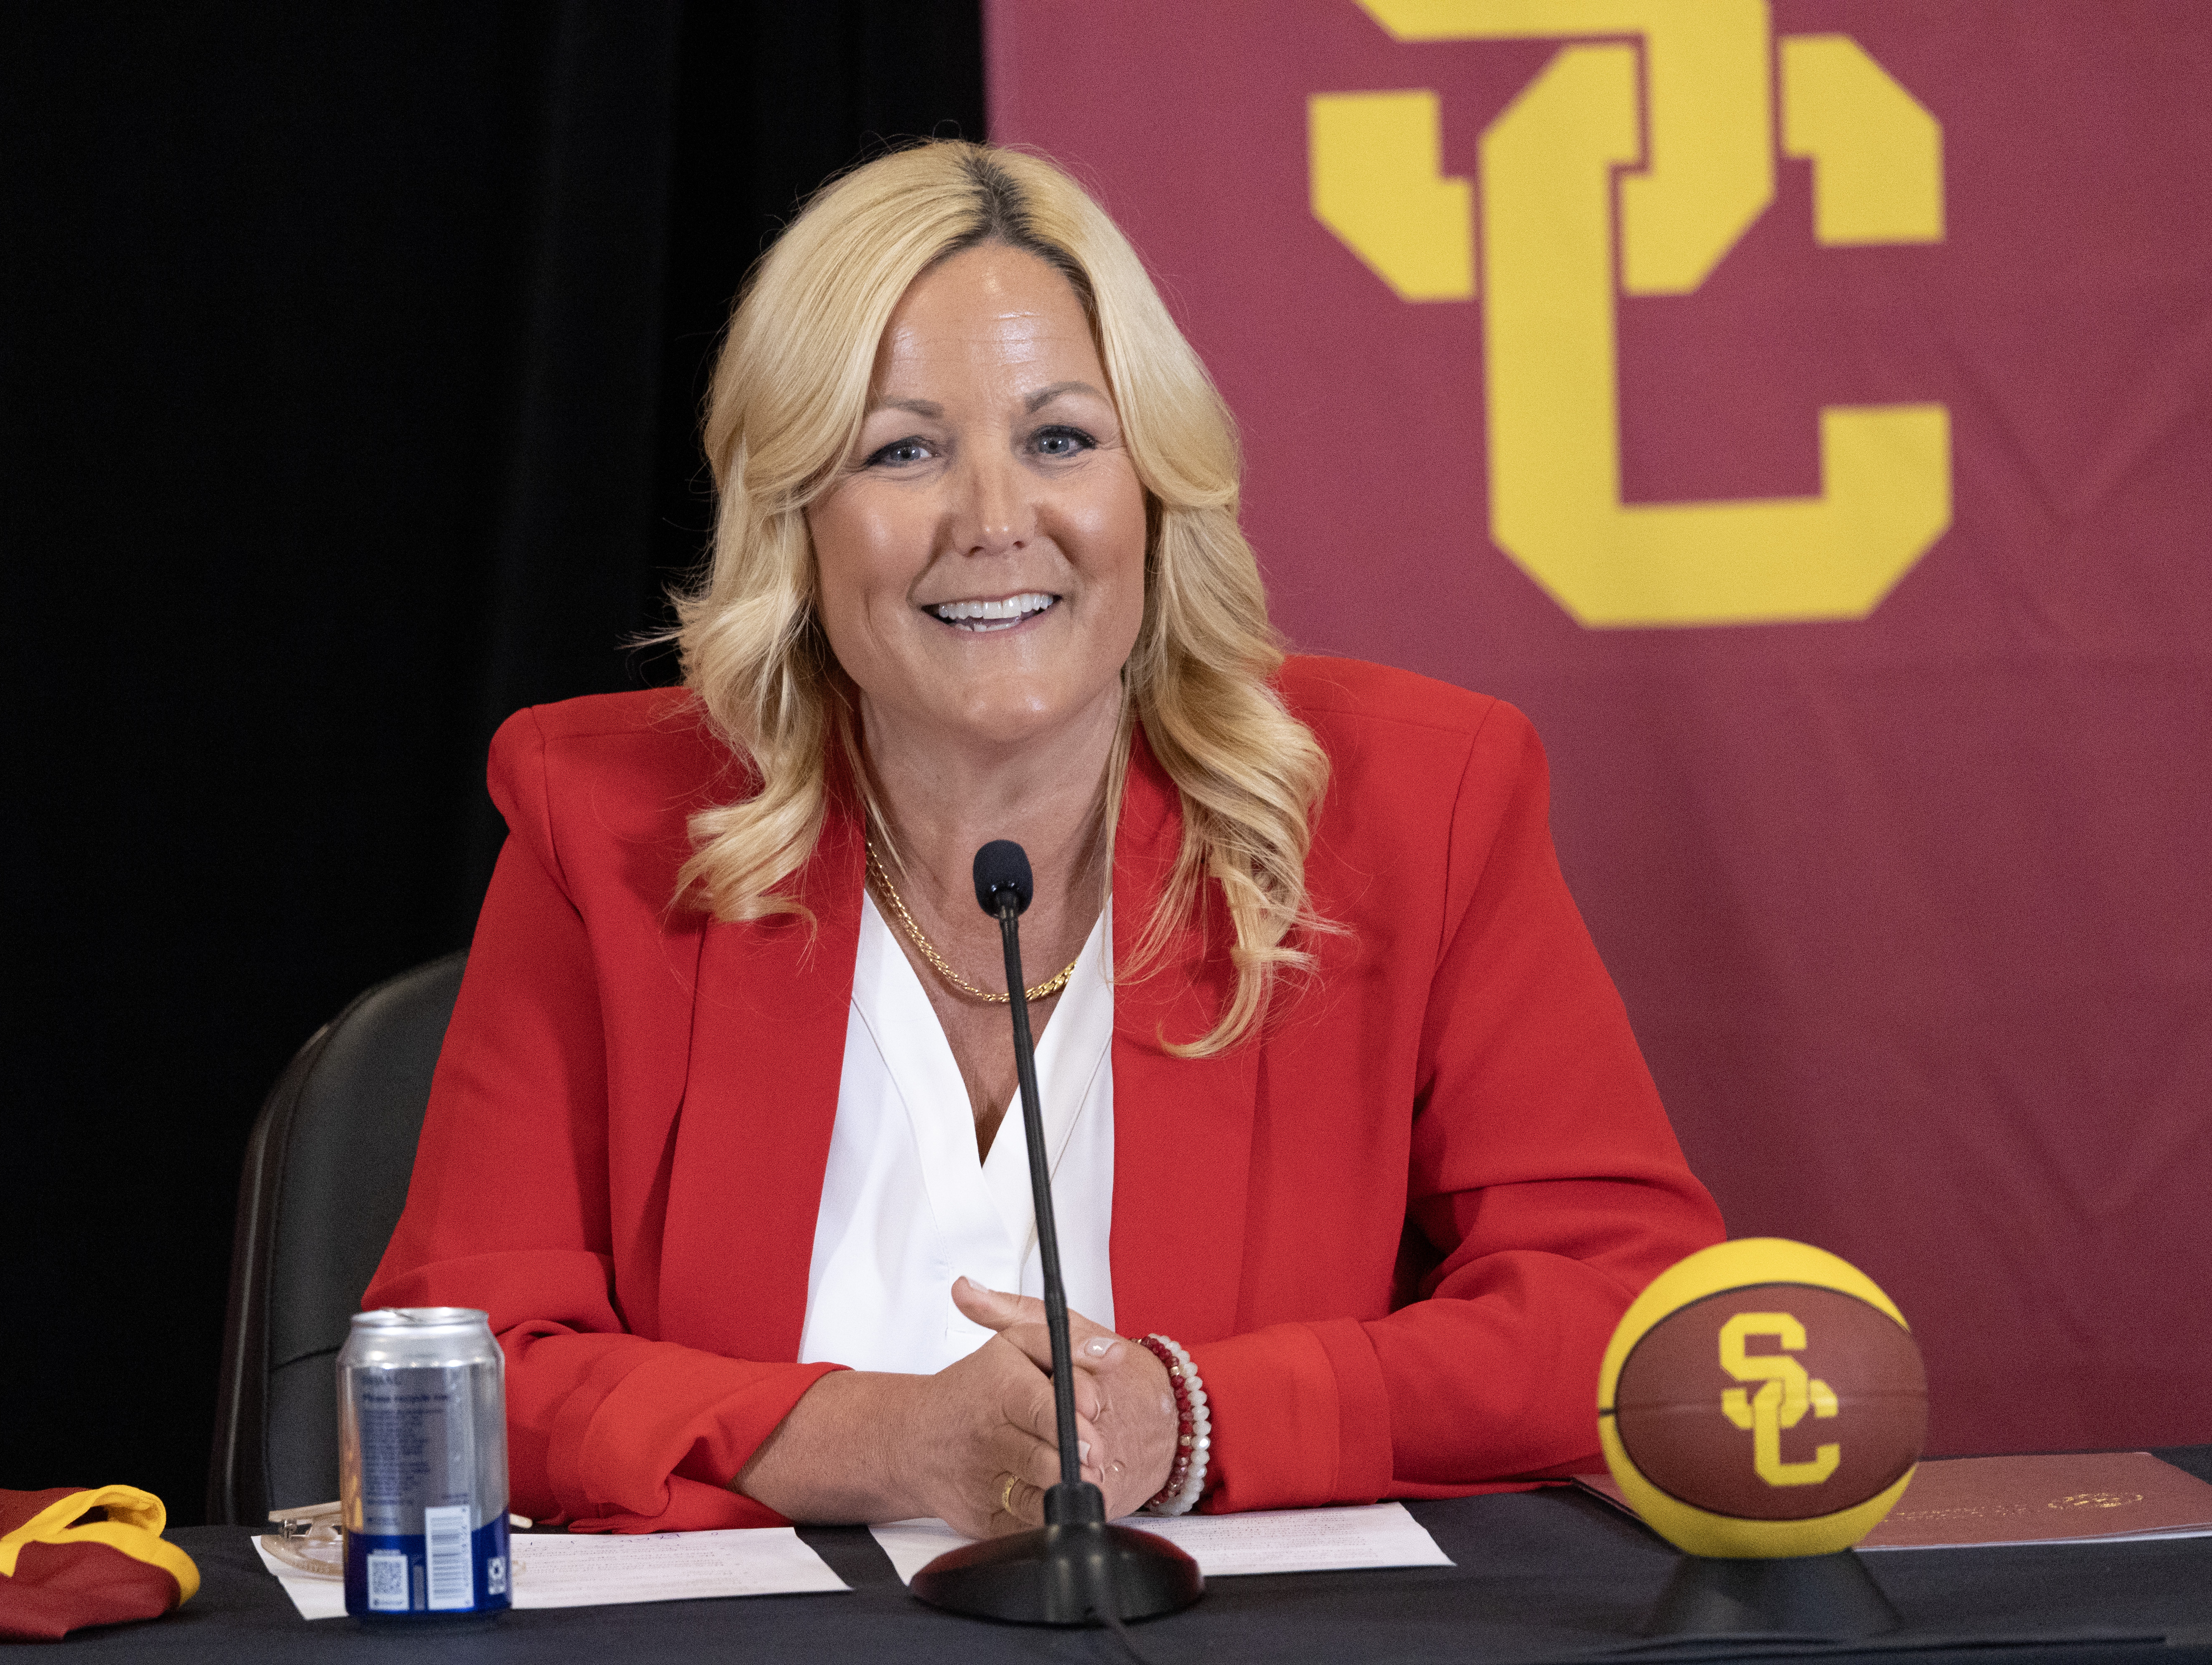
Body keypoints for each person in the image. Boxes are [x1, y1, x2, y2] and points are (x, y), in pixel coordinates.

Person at [365, 141, 1723, 1538]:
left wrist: (1188, 1419)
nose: (998, 524)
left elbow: (1625, 1313)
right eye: (903, 452)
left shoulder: (1407, 804)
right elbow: (444, 1383)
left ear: (1156, 482)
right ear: (794, 516)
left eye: (1061, 439)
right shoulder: (609, 825)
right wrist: (875, 1443)